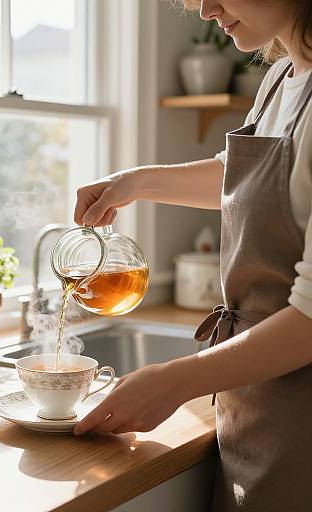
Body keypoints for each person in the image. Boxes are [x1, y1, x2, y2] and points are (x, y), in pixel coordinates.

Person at [72, 1, 312, 510]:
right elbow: (245, 176)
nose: (204, 9)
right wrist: (133, 182)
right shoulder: (280, 78)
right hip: (259, 398)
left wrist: (176, 379)